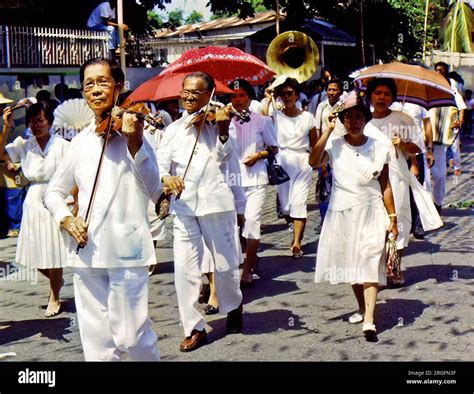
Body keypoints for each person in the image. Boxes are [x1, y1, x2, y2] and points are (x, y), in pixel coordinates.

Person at [44, 58, 161, 361]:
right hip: (87, 251)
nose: (95, 90)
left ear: (119, 85)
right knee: (98, 346)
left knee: (133, 337)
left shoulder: (134, 133)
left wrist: (136, 143)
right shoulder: (79, 142)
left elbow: (155, 188)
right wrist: (66, 218)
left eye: (103, 82)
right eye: (89, 84)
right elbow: (53, 193)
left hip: (128, 249)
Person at [157, 71, 243, 352]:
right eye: (185, 92)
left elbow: (226, 155)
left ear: (209, 96)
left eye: (196, 93)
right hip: (184, 207)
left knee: (226, 264)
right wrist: (166, 179)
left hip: (216, 204)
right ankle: (194, 327)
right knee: (184, 269)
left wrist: (222, 130)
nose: (189, 98)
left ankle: (234, 305)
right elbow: (159, 166)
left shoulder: (217, 120)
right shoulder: (172, 130)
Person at [310, 90, 398, 340]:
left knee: (370, 261)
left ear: (366, 120)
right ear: (342, 120)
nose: (354, 122)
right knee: (352, 264)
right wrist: (326, 131)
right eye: (348, 117)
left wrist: (392, 219)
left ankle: (369, 318)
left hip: (371, 211)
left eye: (359, 117)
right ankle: (361, 305)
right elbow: (313, 162)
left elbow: (386, 185)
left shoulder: (379, 147)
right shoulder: (335, 145)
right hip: (343, 212)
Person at [366, 78, 442, 286]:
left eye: (387, 94)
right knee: (374, 224)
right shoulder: (363, 120)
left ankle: (395, 267)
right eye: (378, 93)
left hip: (396, 176)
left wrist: (404, 144)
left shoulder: (403, 119)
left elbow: (417, 148)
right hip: (370, 180)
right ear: (370, 95)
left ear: (393, 97)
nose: (382, 97)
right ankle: (376, 271)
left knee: (397, 221)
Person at [0, 103, 70, 318]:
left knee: (54, 251)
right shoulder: (24, 144)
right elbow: (1, 153)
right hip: (32, 199)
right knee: (34, 254)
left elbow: (73, 174)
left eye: (40, 120)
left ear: (49, 120)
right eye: (32, 121)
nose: (36, 125)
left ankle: (54, 297)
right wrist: (5, 127)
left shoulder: (62, 145)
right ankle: (56, 281)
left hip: (56, 197)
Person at [228, 79, 278, 286]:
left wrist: (258, 155)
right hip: (231, 181)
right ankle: (249, 256)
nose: (238, 100)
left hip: (256, 179)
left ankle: (247, 270)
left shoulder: (262, 121)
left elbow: (273, 147)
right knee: (236, 225)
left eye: (241, 95)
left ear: (249, 97)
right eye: (233, 96)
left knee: (252, 222)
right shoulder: (224, 122)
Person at [263, 77, 317, 258]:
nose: (286, 97)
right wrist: (269, 95)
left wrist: (314, 161)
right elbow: (263, 118)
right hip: (282, 161)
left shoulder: (308, 117)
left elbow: (315, 143)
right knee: (286, 206)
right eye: (283, 94)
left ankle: (297, 243)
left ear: (296, 95)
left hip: (302, 161)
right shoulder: (276, 116)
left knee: (299, 202)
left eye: (289, 93)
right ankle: (291, 225)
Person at [430, 62, 466, 210]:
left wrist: (459, 121)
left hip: (441, 137)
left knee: (439, 175)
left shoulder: (451, 89)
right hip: (422, 139)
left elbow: (461, 107)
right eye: (437, 70)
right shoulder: (428, 86)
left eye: (442, 70)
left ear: (446, 72)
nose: (439, 73)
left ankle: (437, 204)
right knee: (424, 176)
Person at [314, 79, 345, 228]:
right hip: (326, 152)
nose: (331, 93)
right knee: (324, 188)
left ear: (340, 91)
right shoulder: (321, 106)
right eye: (329, 89)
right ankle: (325, 220)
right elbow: (318, 131)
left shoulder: (345, 105)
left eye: (335, 90)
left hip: (341, 152)